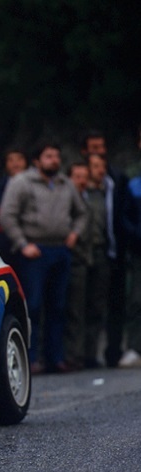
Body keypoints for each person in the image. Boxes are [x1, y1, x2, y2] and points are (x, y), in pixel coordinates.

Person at [0, 142, 88, 374]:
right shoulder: (22, 182)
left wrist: (74, 234)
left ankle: (55, 357)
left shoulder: (65, 183)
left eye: (57, 156)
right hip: (34, 251)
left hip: (60, 250)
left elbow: (81, 213)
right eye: (49, 156)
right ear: (37, 160)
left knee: (58, 306)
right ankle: (31, 357)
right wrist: (22, 243)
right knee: (34, 305)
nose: (54, 160)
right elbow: (8, 215)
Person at [79, 130, 128, 368]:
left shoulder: (116, 181)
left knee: (109, 304)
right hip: (85, 252)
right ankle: (83, 354)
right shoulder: (78, 189)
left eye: (101, 149)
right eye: (93, 149)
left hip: (111, 251)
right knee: (85, 305)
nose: (98, 154)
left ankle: (110, 352)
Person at [63, 162, 95, 370]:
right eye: (77, 176)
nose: (81, 181)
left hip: (87, 258)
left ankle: (81, 354)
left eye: (85, 176)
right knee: (66, 309)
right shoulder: (64, 199)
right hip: (69, 257)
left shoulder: (92, 199)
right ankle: (67, 355)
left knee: (83, 309)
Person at [119, 126, 141, 368]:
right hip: (139, 250)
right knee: (136, 300)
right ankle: (136, 347)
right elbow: (123, 216)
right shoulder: (132, 178)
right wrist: (136, 236)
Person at [0, 149, 29, 266]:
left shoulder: (37, 188)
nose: (15, 164)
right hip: (5, 246)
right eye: (11, 160)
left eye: (19, 159)